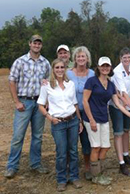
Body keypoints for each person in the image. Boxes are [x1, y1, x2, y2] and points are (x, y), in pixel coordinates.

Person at [82, 56, 130, 185]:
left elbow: (118, 104)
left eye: (107, 66)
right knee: (96, 146)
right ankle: (97, 175)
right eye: (103, 66)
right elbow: (85, 101)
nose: (105, 68)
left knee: (105, 146)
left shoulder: (111, 85)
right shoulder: (91, 81)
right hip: (91, 118)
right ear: (98, 67)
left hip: (104, 118)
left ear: (110, 68)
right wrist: (91, 119)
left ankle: (97, 171)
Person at [4, 35, 51, 179]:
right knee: (18, 136)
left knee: (37, 136)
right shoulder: (20, 61)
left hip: (39, 103)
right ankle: (12, 166)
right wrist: (16, 102)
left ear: (41, 46)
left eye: (39, 43)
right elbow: (12, 81)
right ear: (29, 44)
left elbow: (47, 83)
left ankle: (35, 164)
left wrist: (46, 101)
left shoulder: (45, 63)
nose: (37, 45)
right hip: (24, 102)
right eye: (34, 43)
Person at [37, 58, 83, 192]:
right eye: (57, 67)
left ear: (65, 69)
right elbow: (40, 104)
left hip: (73, 120)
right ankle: (61, 179)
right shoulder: (47, 85)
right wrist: (49, 117)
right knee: (62, 152)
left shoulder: (71, 84)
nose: (60, 70)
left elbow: (75, 103)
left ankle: (74, 177)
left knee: (73, 151)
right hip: (58, 123)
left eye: (62, 67)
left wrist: (79, 120)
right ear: (53, 69)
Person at [109, 47, 130, 176]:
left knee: (126, 131)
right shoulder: (117, 72)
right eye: (124, 58)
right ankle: (121, 163)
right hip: (117, 106)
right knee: (119, 133)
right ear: (120, 59)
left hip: (129, 104)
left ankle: (126, 155)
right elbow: (122, 93)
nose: (127, 60)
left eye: (129, 57)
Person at [66, 46, 94, 181]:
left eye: (83, 56)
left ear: (87, 58)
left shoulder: (92, 74)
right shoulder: (68, 73)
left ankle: (88, 167)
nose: (81, 59)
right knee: (70, 141)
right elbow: (56, 82)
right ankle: (69, 167)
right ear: (74, 59)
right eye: (78, 56)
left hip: (87, 112)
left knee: (86, 141)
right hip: (71, 112)